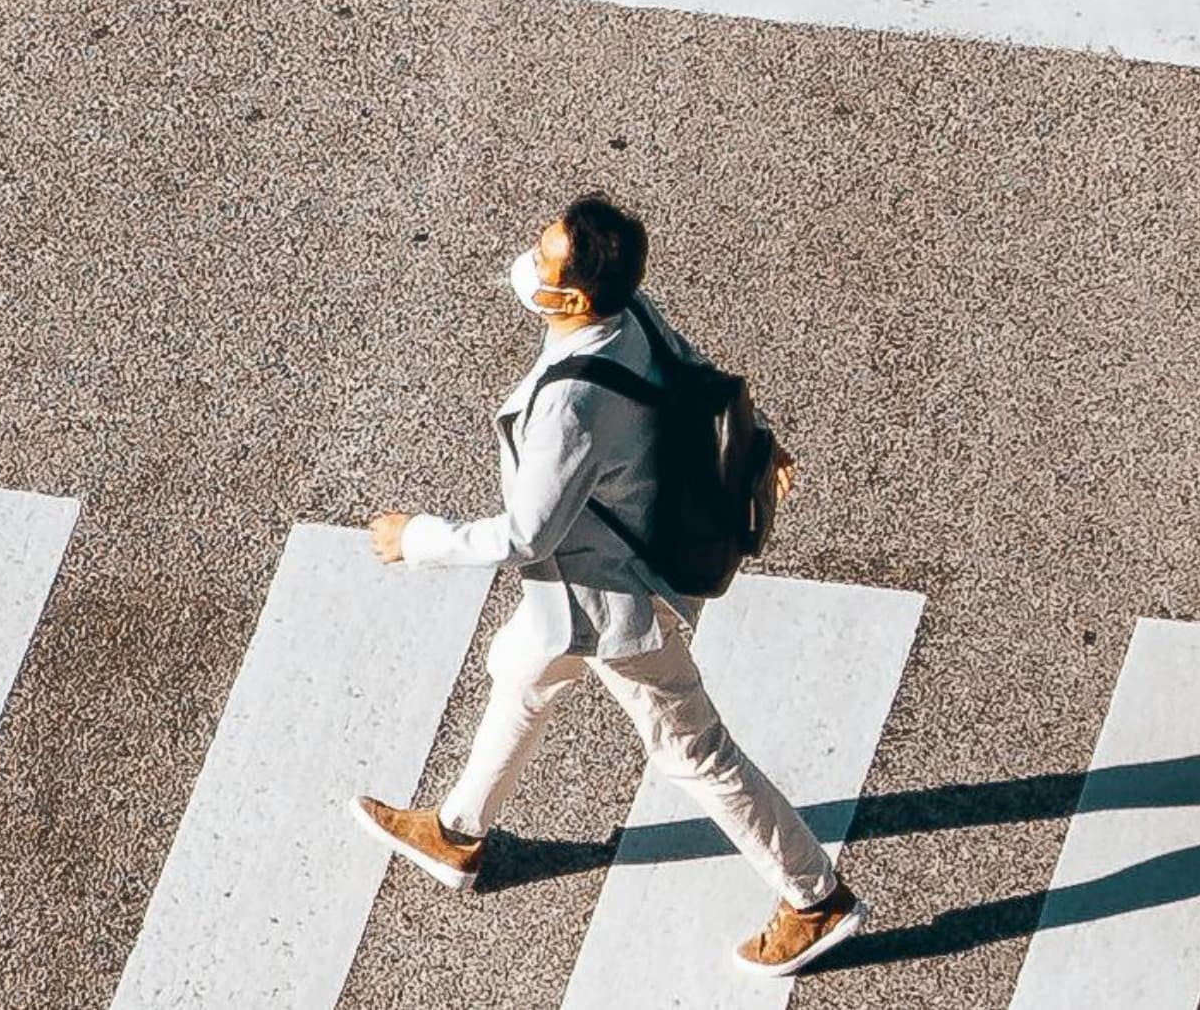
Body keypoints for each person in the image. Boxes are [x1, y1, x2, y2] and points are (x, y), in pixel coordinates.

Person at [353, 197, 860, 973]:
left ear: (573, 297)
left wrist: (414, 536)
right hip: (575, 592)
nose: (529, 260)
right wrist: (761, 443)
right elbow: (697, 377)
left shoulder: (571, 405)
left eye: (542, 256)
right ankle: (457, 833)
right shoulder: (635, 314)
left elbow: (526, 533)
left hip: (613, 601)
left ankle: (814, 898)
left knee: (694, 753)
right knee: (518, 671)